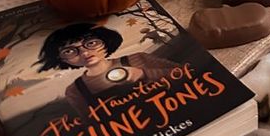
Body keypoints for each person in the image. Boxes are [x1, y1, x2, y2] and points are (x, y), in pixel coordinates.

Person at [37, 22, 177, 117]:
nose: (85, 53)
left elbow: (186, 72)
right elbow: (93, 123)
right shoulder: (75, 91)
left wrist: (143, 73)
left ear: (105, 42)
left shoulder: (138, 59)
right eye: (69, 51)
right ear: (61, 59)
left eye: (91, 43)